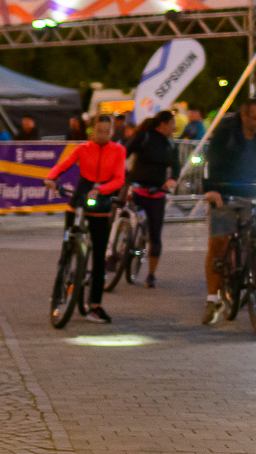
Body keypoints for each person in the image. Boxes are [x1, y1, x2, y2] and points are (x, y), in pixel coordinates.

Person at [201, 95, 256, 325]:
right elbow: (209, 162)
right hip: (225, 194)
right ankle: (213, 299)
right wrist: (210, 190)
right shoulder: (226, 133)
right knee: (218, 243)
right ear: (244, 116)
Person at [50, 115, 126, 323]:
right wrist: (50, 178)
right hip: (81, 193)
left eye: (106, 132)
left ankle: (95, 305)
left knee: (99, 254)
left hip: (102, 197)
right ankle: (60, 287)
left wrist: (100, 189)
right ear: (92, 131)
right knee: (67, 246)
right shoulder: (82, 148)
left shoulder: (118, 150)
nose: (101, 135)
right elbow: (63, 164)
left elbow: (119, 179)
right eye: (98, 131)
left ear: (112, 133)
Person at [126, 110, 181, 287]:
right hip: (138, 190)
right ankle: (115, 250)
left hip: (157, 194)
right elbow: (125, 152)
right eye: (172, 123)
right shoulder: (145, 137)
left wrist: (171, 180)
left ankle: (151, 274)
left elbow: (176, 168)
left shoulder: (171, 144)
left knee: (155, 236)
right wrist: (123, 173)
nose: (175, 127)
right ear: (163, 124)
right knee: (122, 217)